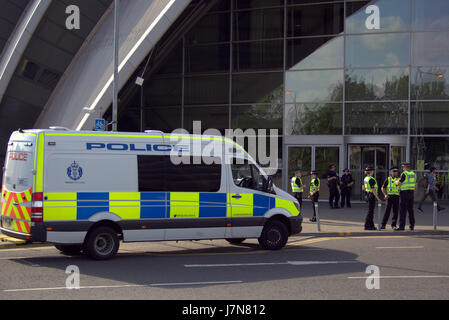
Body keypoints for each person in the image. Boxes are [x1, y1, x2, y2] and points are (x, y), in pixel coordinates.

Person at [395, 162, 416, 231]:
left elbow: (399, 183)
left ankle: (401, 227)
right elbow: (415, 185)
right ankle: (412, 225)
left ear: (405, 167)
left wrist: (396, 181)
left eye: (403, 167)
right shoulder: (413, 174)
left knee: (402, 210)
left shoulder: (404, 174)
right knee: (410, 210)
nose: (403, 168)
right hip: (411, 193)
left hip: (404, 193)